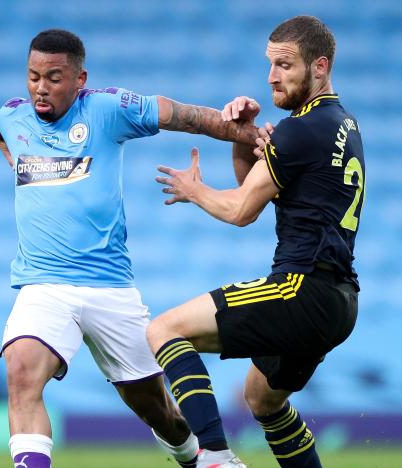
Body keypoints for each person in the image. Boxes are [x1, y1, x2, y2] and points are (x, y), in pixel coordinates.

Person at [0, 29, 260, 468]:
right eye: (33, 76)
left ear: (80, 79)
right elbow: (3, 134)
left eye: (54, 78)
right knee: (21, 373)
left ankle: (192, 456)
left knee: (156, 410)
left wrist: (243, 132)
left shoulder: (107, 108)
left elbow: (184, 116)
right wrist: (16, 159)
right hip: (43, 285)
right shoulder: (12, 116)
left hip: (109, 287)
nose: (41, 87)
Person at [147, 16, 365, 468]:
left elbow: (242, 210)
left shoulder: (300, 130)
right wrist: (244, 140)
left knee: (164, 330)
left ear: (319, 67)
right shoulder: (341, 124)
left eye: (285, 65)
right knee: (262, 400)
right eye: (270, 65)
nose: (272, 77)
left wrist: (194, 191)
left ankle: (216, 457)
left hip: (301, 288)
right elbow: (259, 187)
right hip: (338, 299)